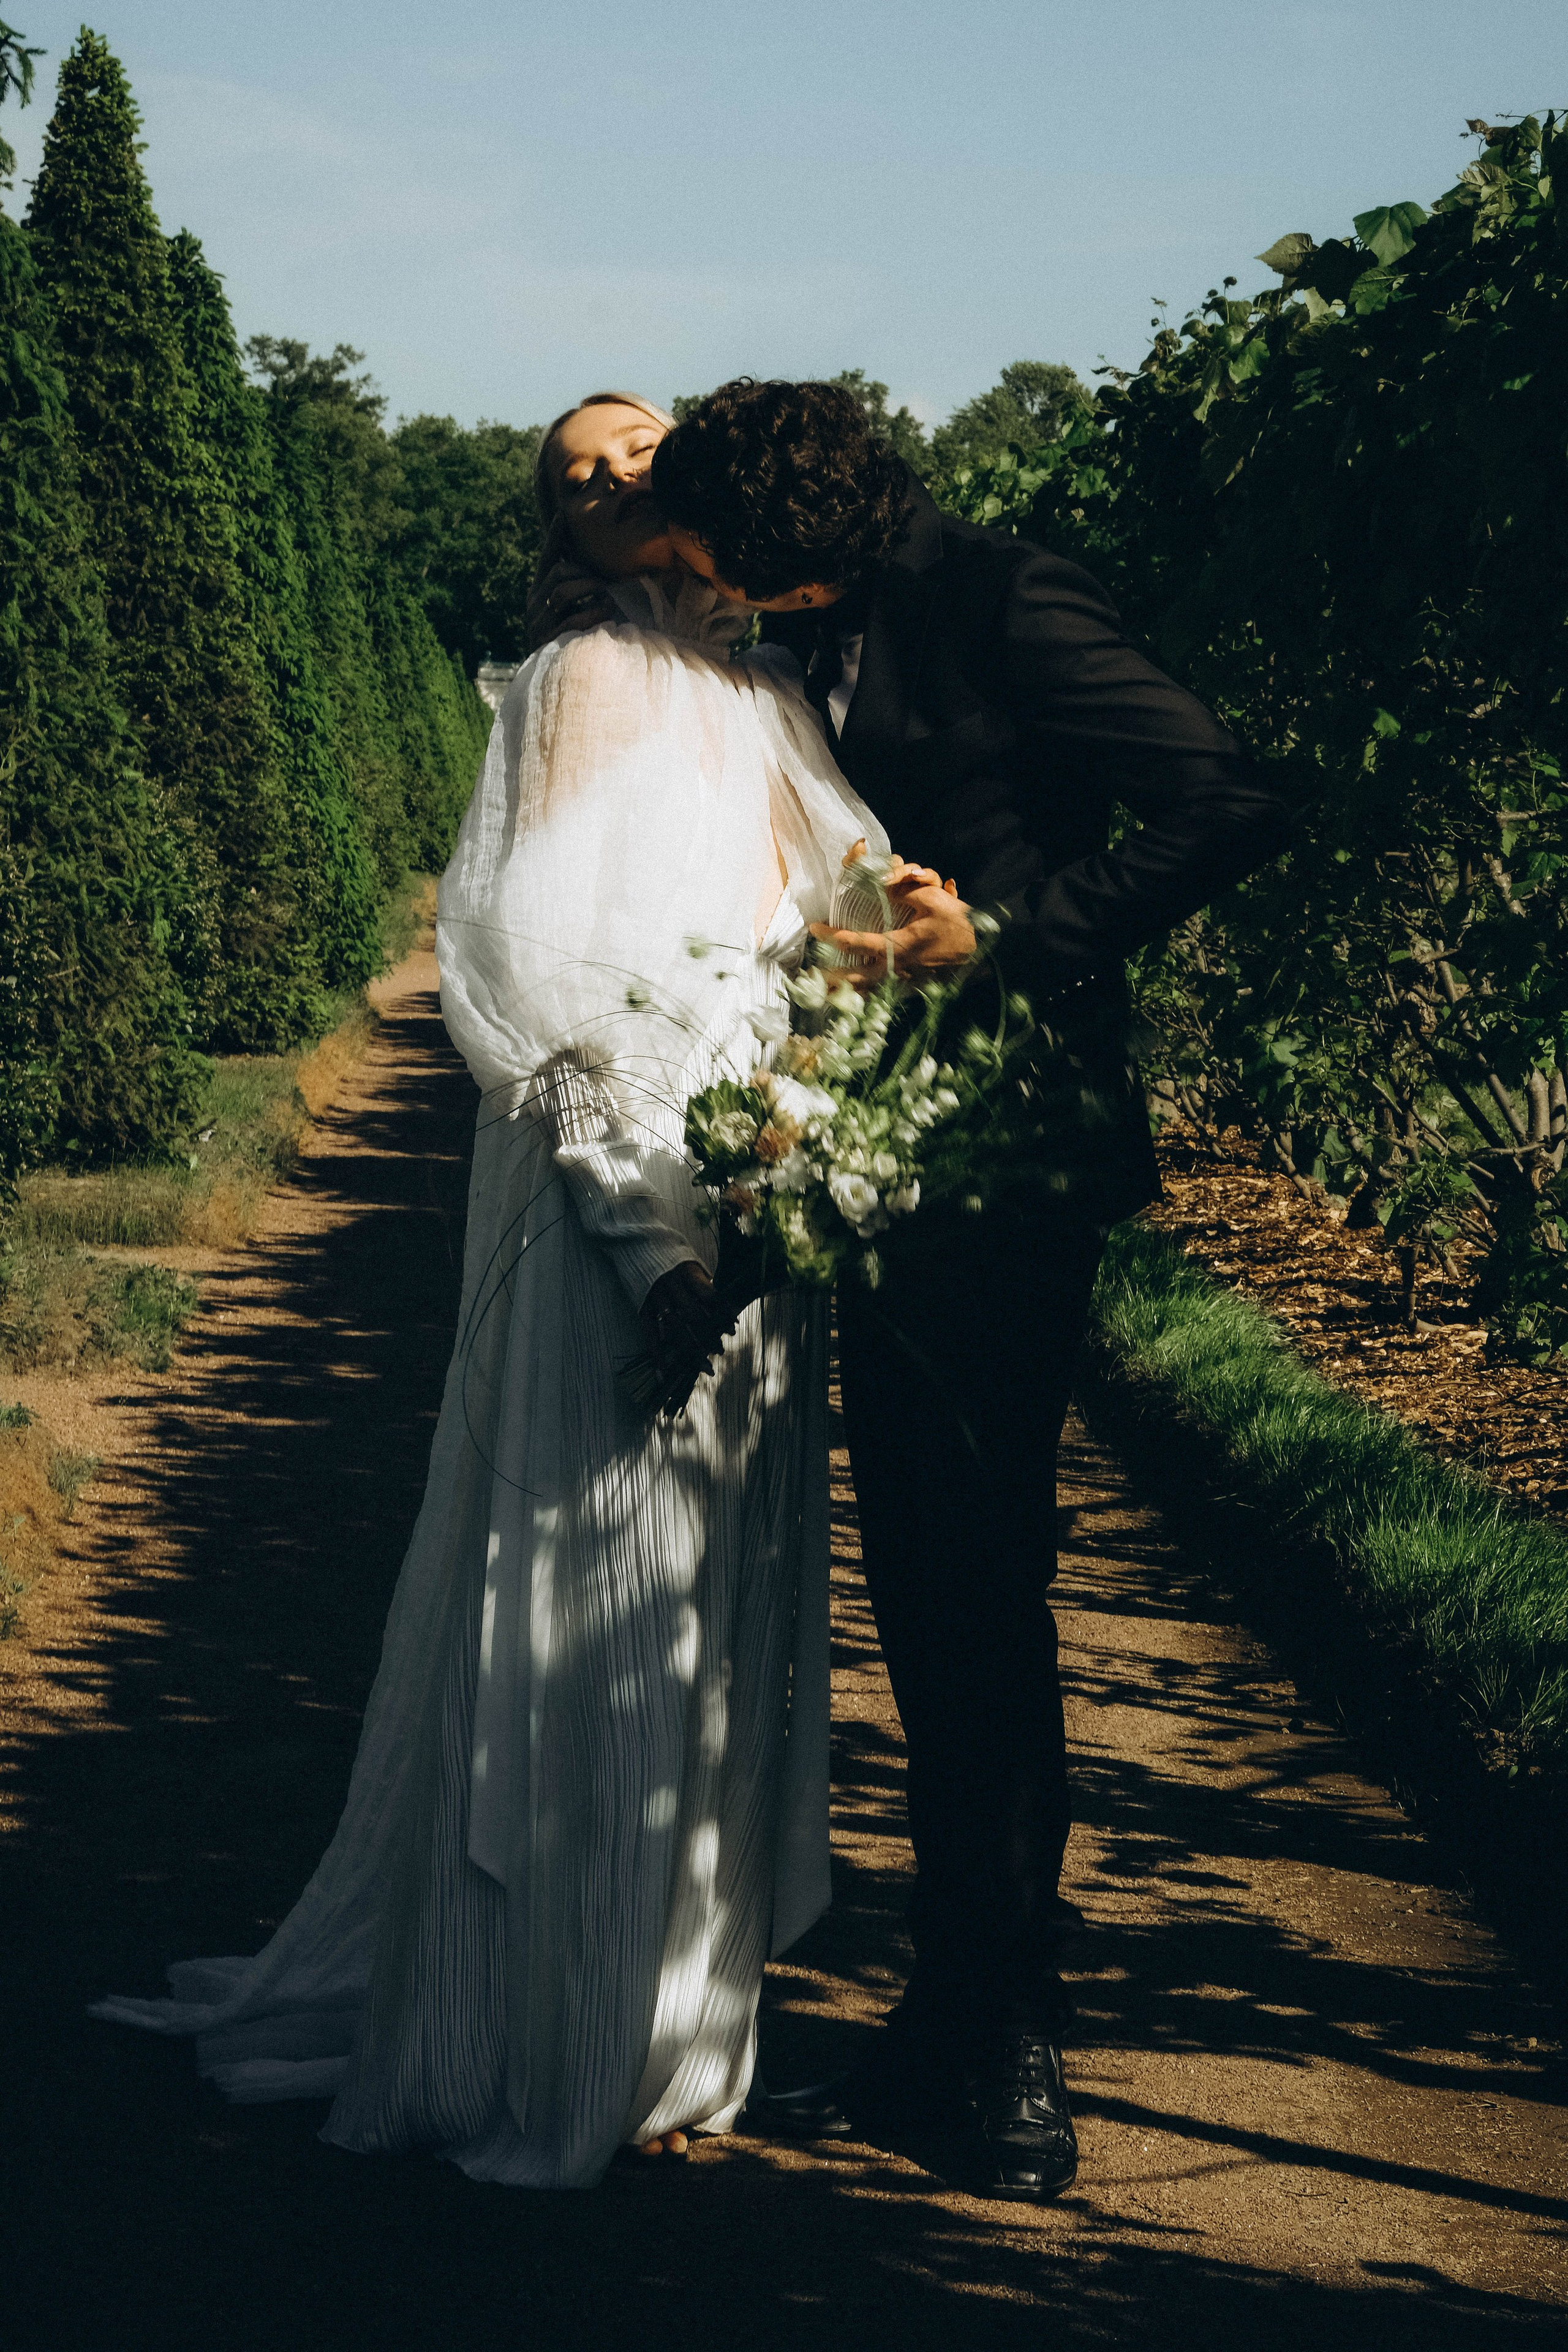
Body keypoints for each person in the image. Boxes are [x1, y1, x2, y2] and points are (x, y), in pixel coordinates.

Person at [89, 394, 890, 2190]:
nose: (608, 477)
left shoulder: (769, 688)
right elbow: (531, 956)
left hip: (762, 1178)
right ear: (557, 527)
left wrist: (822, 1125)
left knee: (706, 1599)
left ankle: (676, 2025)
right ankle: (550, 2034)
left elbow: (833, 933)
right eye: (572, 472)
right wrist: (644, 1227)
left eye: (637, 447)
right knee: (602, 1584)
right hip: (633, 1186)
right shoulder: (584, 678)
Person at [650, 377, 1295, 2201]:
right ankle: (952, 2018)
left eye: (726, 565)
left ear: (790, 537)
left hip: (1003, 1157)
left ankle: (1013, 2050)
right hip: (867, 1155)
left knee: (976, 1585)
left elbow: (1236, 795)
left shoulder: (1007, 597)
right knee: (928, 1588)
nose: (719, 593)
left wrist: (1006, 937)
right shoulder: (821, 629)